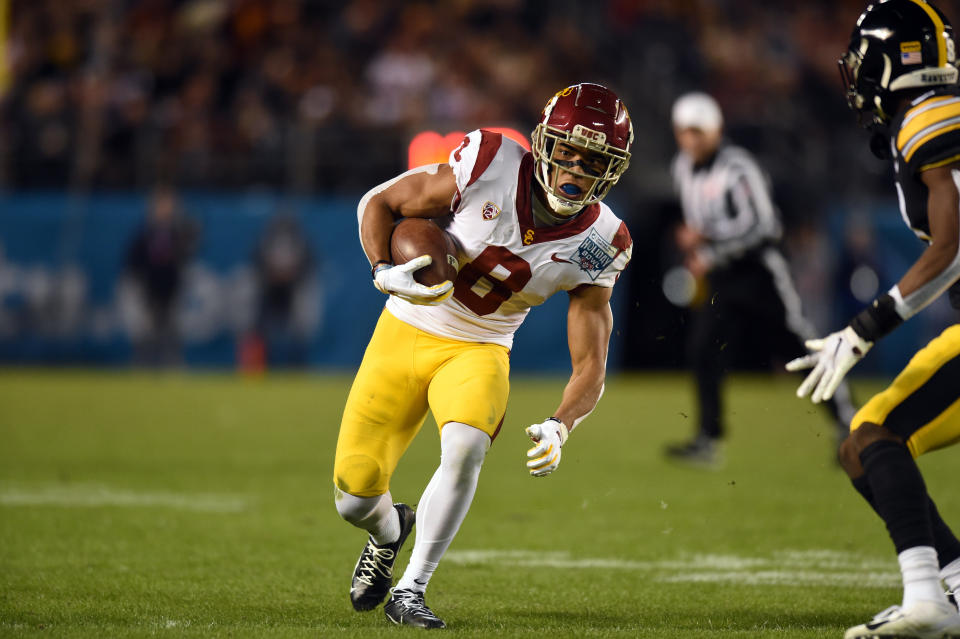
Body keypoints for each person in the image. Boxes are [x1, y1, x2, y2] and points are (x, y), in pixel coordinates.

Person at [332, 82, 634, 629]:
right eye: (567, 150)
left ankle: (412, 589)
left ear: (613, 169)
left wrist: (561, 425)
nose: (575, 169)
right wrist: (381, 267)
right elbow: (378, 203)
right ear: (544, 141)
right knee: (352, 495)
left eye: (594, 160)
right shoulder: (490, 160)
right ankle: (388, 532)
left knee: (467, 444)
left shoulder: (603, 240)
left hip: (482, 345)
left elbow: (591, 360)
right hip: (406, 328)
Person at [789, 1, 960, 637]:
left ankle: (928, 601)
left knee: (876, 431)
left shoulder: (932, 116)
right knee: (862, 445)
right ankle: (951, 585)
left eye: (866, 59)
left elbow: (953, 246)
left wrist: (864, 329)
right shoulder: (936, 114)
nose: (858, 74)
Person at [664, 92, 856, 466]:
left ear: (716, 130)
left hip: (760, 273)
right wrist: (698, 239)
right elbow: (705, 223)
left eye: (699, 131)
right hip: (722, 277)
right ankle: (708, 439)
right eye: (686, 131)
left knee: (799, 348)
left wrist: (709, 248)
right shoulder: (682, 168)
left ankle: (848, 421)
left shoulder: (738, 167)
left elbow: (765, 226)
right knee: (704, 349)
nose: (693, 139)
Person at [124, 185, 199, 367]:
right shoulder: (145, 233)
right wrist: (137, 282)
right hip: (150, 287)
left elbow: (188, 253)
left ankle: (172, 364)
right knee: (147, 330)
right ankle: (143, 364)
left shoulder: (177, 233)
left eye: (168, 205)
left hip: (171, 286)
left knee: (172, 329)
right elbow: (134, 260)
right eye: (161, 205)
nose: (165, 209)